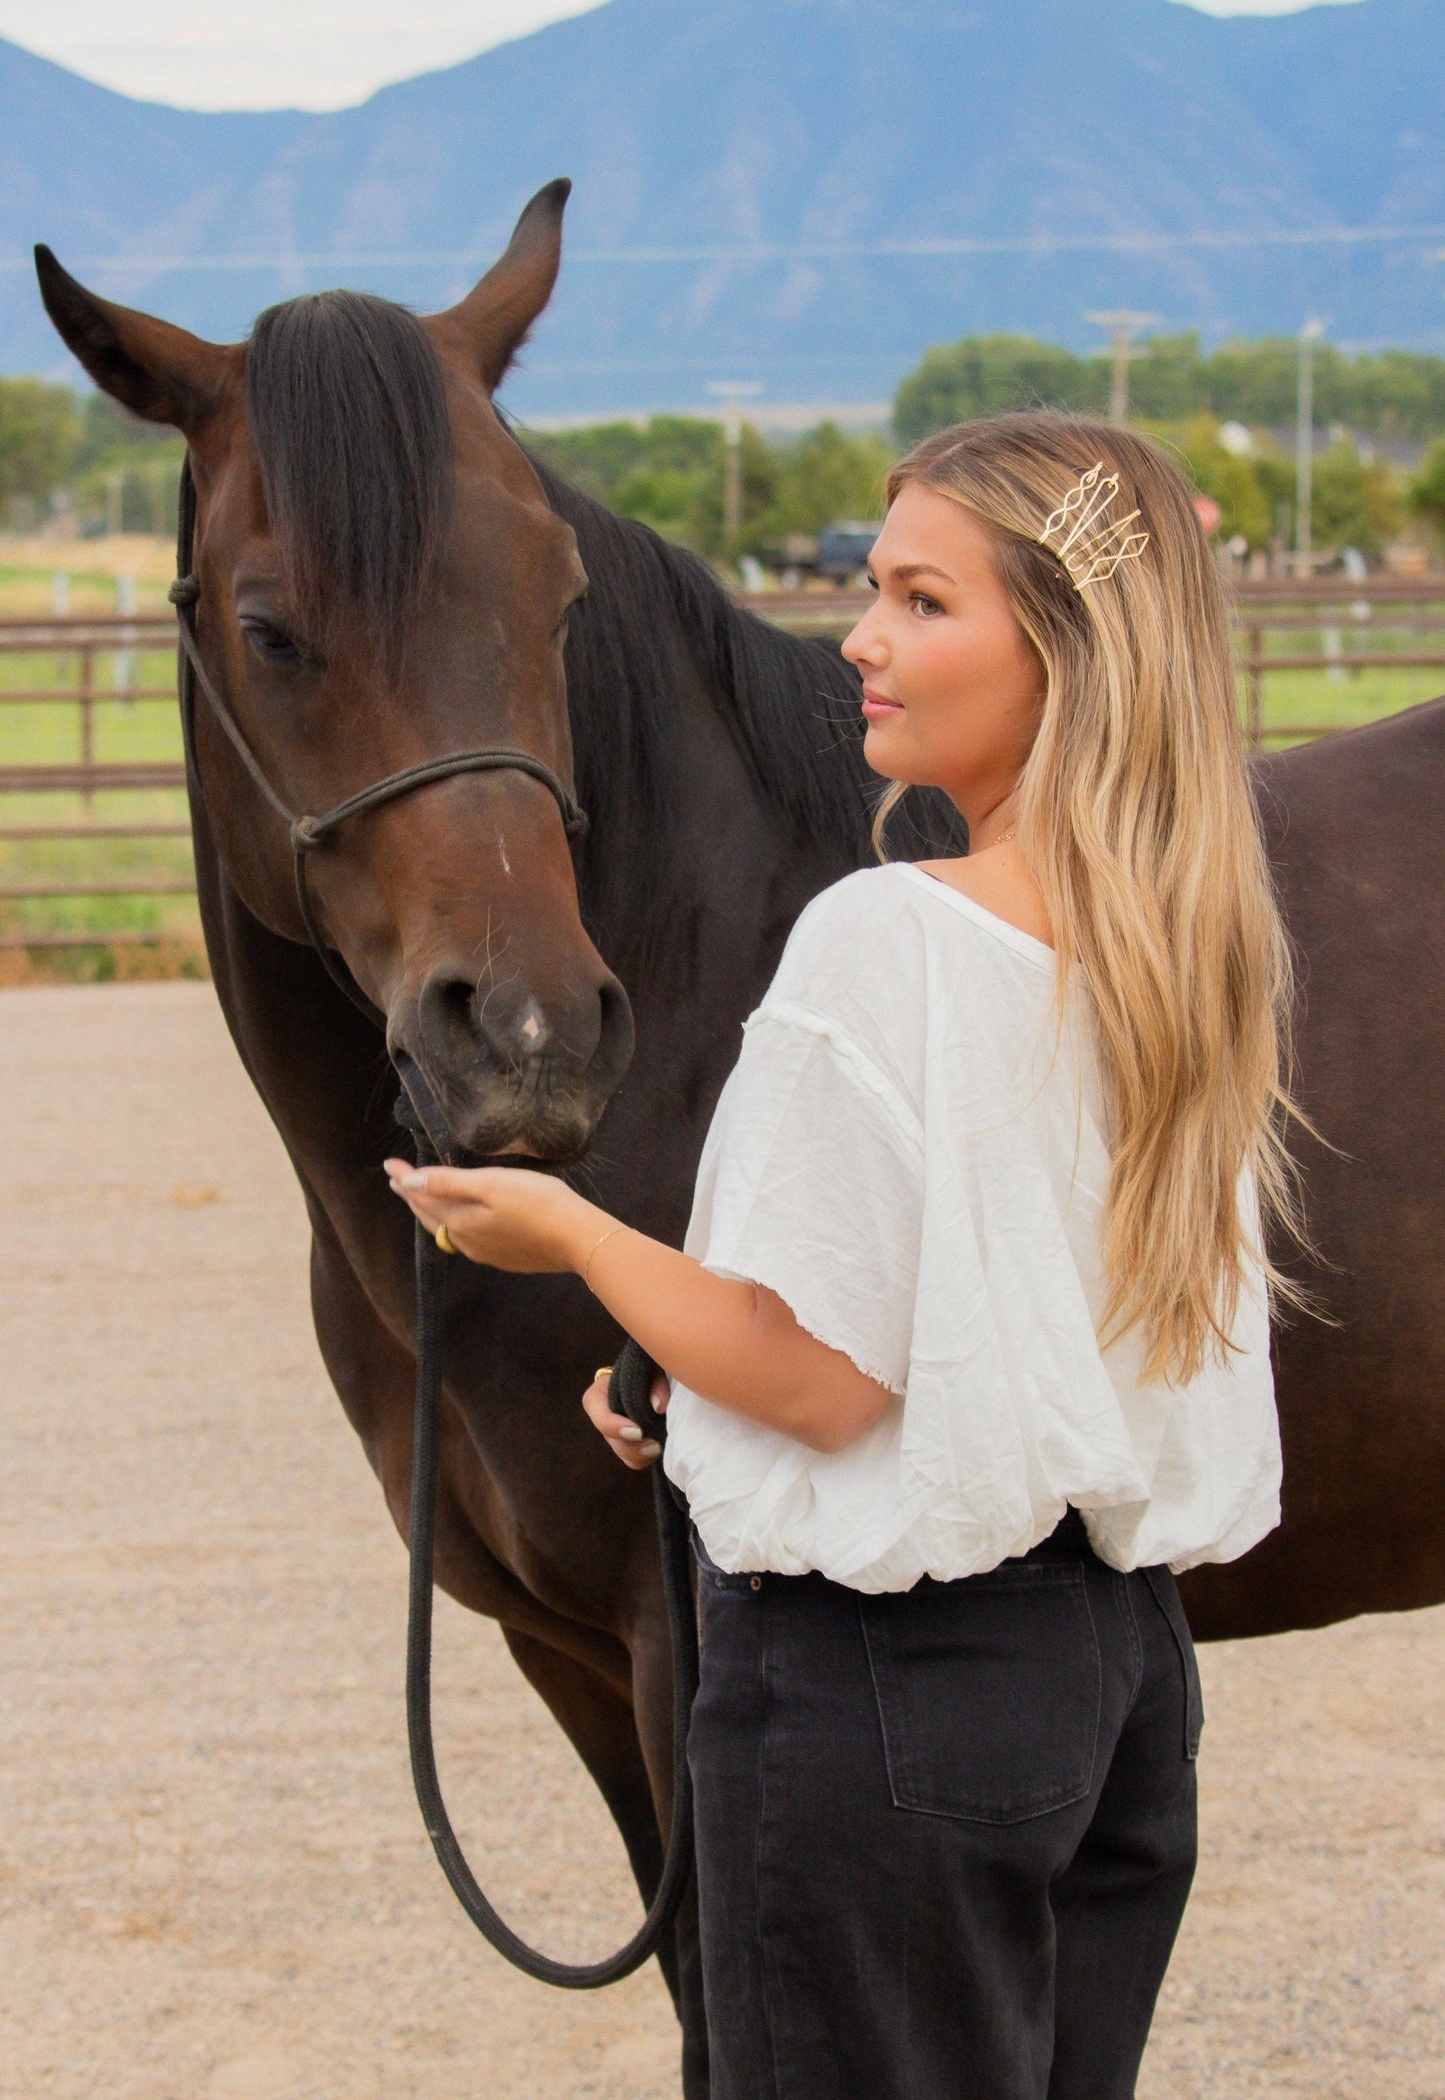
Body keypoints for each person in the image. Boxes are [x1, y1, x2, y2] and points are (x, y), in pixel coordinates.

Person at [386, 411, 1300, 2099]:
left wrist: (572, 1233)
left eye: (922, 601)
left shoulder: (890, 933)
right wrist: (687, 1376)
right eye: (872, 591)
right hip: (1109, 1684)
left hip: (892, 1700)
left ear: (1067, 647)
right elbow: (991, 1316)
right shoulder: (1181, 941)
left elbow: (814, 1378)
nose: (859, 640)